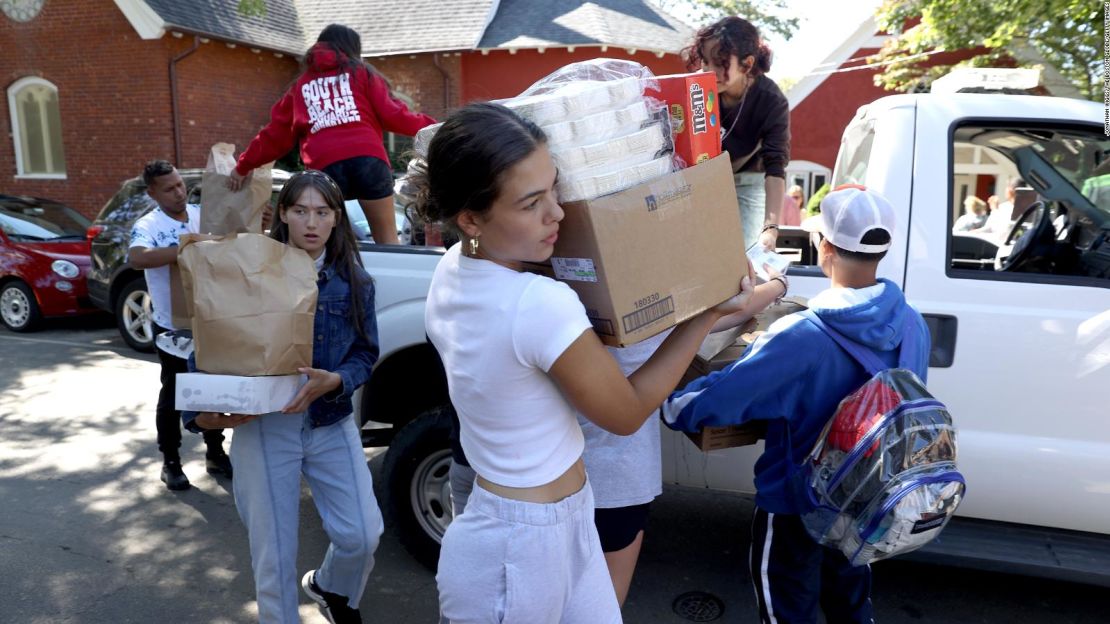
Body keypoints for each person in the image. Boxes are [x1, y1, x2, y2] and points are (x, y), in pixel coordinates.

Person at [413, 102, 782, 623]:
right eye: (531, 203)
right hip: (519, 549)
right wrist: (702, 316)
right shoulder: (536, 303)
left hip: (536, 524)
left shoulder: (452, 269)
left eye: (555, 188)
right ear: (470, 217)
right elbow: (627, 412)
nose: (557, 213)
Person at [662, 185, 931, 624]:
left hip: (796, 504)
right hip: (866, 500)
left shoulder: (803, 336)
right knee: (849, 607)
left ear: (824, 247)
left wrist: (672, 405)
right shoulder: (913, 324)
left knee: (788, 611)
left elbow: (718, 399)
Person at [183, 171, 384, 624]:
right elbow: (210, 341)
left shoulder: (354, 282)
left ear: (336, 219)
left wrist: (336, 379)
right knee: (273, 557)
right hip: (265, 427)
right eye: (300, 210)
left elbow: (365, 353)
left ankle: (332, 586)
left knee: (363, 534)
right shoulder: (248, 270)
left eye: (322, 212)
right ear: (283, 215)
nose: (311, 222)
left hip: (329, 421)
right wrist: (203, 414)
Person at [229, 23, 436, 245]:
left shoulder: (301, 85)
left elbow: (275, 135)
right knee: (387, 239)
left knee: (326, 243)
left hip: (325, 166)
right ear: (352, 49)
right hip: (369, 160)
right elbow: (394, 114)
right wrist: (437, 128)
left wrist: (243, 166)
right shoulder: (361, 74)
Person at [128, 159, 230, 491]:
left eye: (180, 185)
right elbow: (138, 257)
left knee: (212, 388)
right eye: (169, 188)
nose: (179, 192)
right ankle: (170, 461)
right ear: (152, 193)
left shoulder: (200, 214)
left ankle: (215, 452)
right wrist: (184, 249)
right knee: (174, 392)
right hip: (171, 326)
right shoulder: (149, 224)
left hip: (209, 318)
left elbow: (232, 237)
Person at [685, 16, 790, 252]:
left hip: (747, 178)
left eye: (719, 63)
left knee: (740, 252)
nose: (708, 71)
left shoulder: (771, 101)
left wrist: (770, 229)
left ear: (747, 64)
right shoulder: (695, 90)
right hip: (704, 176)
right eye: (704, 61)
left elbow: (775, 167)